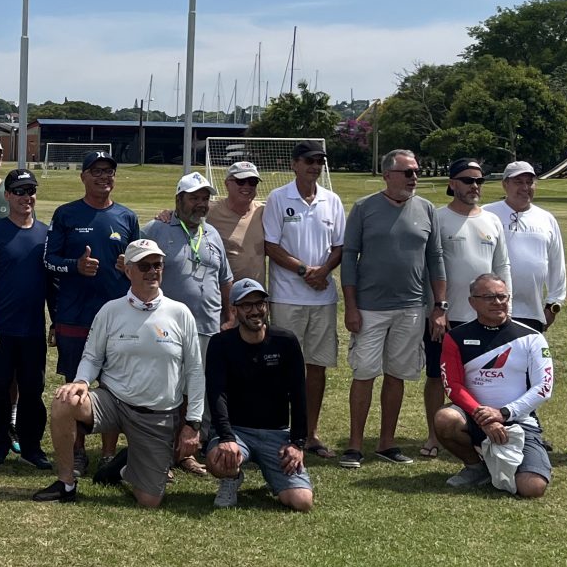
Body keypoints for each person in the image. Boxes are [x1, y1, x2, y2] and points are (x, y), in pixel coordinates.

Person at [33, 238, 205, 508]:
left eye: (158, 265)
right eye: (144, 266)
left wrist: (192, 423)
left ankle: (122, 467)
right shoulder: (110, 311)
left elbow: (194, 370)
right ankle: (66, 483)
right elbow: (92, 356)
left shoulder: (180, 313)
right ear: (128, 270)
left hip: (156, 414)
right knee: (64, 401)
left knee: (149, 501)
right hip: (113, 401)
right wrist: (81, 381)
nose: (152, 271)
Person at [339, 148, 446, 468]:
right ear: (387, 175)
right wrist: (351, 307)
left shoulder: (427, 209)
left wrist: (439, 306)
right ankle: (354, 445)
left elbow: (435, 259)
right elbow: (349, 257)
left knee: (396, 374)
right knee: (364, 373)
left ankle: (387, 443)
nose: (414, 177)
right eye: (408, 172)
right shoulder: (364, 208)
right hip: (370, 308)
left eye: (417, 172)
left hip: (411, 308)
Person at [42, 150, 141, 477]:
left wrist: (128, 267)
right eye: (96, 171)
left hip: (117, 319)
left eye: (108, 171)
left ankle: (110, 453)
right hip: (75, 315)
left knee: (115, 386)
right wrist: (76, 266)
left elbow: (140, 265)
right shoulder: (66, 214)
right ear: (83, 176)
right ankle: (78, 450)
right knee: (76, 385)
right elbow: (49, 260)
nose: (103, 177)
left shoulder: (127, 217)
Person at [432, 275, 554, 498]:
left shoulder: (532, 337)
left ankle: (516, 460)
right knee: (445, 419)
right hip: (474, 418)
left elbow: (543, 388)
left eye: (502, 296)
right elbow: (453, 386)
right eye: (489, 297)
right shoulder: (456, 337)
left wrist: (503, 413)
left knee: (532, 487)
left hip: (518, 420)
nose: (497, 302)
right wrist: (484, 417)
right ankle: (476, 468)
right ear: (472, 302)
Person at [261, 139, 345, 457]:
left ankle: (310, 433)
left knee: (317, 366)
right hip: (286, 296)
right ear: (295, 164)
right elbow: (271, 245)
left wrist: (322, 272)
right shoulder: (278, 197)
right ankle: (279, 431)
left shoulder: (332, 200)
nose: (315, 167)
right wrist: (304, 270)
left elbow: (340, 246)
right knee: (281, 367)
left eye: (319, 161)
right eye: (309, 161)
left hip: (323, 298)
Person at [203, 277, 313, 512]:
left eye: (259, 303)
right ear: (234, 310)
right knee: (218, 460)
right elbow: (217, 394)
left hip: (276, 434)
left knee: (302, 502)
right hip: (237, 431)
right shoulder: (220, 344)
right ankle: (232, 478)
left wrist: (297, 443)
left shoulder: (286, 341)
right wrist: (226, 437)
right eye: (247, 305)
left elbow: (299, 395)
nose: (255, 311)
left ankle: (274, 476)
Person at [428, 157, 510, 458]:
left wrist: (505, 305)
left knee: (484, 376)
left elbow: (502, 265)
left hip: (484, 316)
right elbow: (429, 268)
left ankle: (483, 431)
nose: (474, 186)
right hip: (447, 316)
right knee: (436, 376)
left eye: (479, 180)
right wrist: (437, 309)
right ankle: (434, 435)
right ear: (452, 184)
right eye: (467, 180)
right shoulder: (438, 218)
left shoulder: (492, 220)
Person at [0, 167, 54, 468]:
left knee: (32, 389)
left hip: (32, 329)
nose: (25, 197)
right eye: (19, 192)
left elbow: (52, 284)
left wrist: (56, 322)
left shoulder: (45, 235)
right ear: (7, 196)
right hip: (0, 329)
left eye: (30, 191)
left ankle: (32, 446)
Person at [142, 172, 233, 346]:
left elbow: (225, 279)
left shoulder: (212, 233)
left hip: (209, 329)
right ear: (178, 200)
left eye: (205, 199)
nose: (201, 204)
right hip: (166, 329)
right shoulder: (155, 230)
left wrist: (230, 317)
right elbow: (133, 272)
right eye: (194, 198)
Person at [484, 161, 566, 330]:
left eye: (529, 182)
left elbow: (557, 265)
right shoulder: (487, 214)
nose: (525, 187)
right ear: (505, 184)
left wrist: (553, 305)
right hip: (490, 310)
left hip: (531, 313)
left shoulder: (546, 219)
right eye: (518, 182)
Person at [211, 159, 270, 298]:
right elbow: (185, 214)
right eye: (240, 181)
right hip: (224, 299)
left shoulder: (264, 212)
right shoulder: (210, 212)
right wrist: (167, 214)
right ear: (227, 184)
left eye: (252, 182)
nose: (247, 186)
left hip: (256, 299)